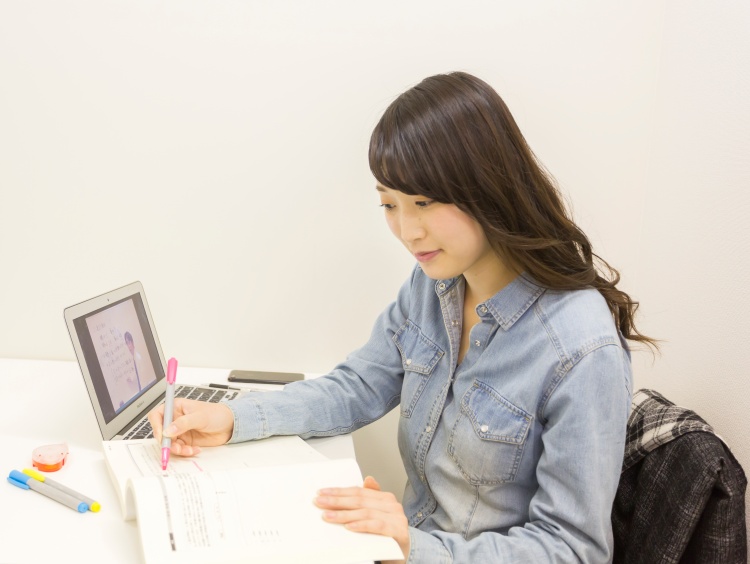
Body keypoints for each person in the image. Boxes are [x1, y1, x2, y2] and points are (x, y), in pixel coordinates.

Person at [148, 71, 657, 563]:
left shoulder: (581, 349)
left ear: (487, 186)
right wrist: (233, 418)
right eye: (389, 204)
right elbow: (358, 386)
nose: (407, 231)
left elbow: (573, 550)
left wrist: (414, 548)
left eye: (423, 202)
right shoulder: (435, 284)